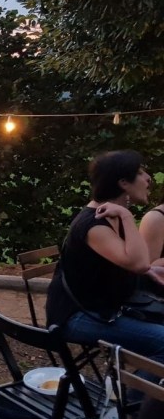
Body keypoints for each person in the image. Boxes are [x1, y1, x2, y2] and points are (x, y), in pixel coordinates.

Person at [45, 150, 164, 363]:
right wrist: (127, 215)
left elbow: (134, 263)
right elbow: (139, 262)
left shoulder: (109, 215)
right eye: (140, 172)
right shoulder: (94, 225)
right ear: (123, 183)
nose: (148, 178)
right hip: (77, 317)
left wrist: (149, 270)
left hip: (104, 308)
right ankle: (134, 395)